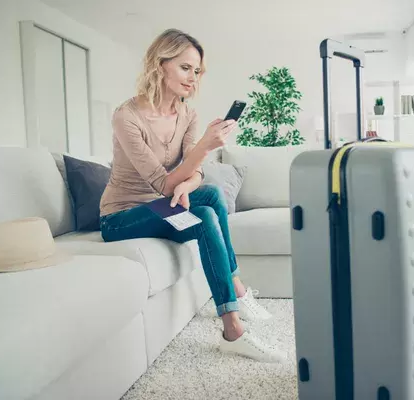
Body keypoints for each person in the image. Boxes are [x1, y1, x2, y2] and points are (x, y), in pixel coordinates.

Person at [99, 28, 286, 363]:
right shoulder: (126, 117)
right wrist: (204, 149)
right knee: (205, 216)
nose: (193, 77)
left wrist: (189, 183)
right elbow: (161, 183)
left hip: (164, 205)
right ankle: (233, 329)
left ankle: (236, 292)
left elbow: (191, 173)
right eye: (185, 67)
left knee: (210, 195)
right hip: (122, 216)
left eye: (197, 70)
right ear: (160, 64)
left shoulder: (187, 113)